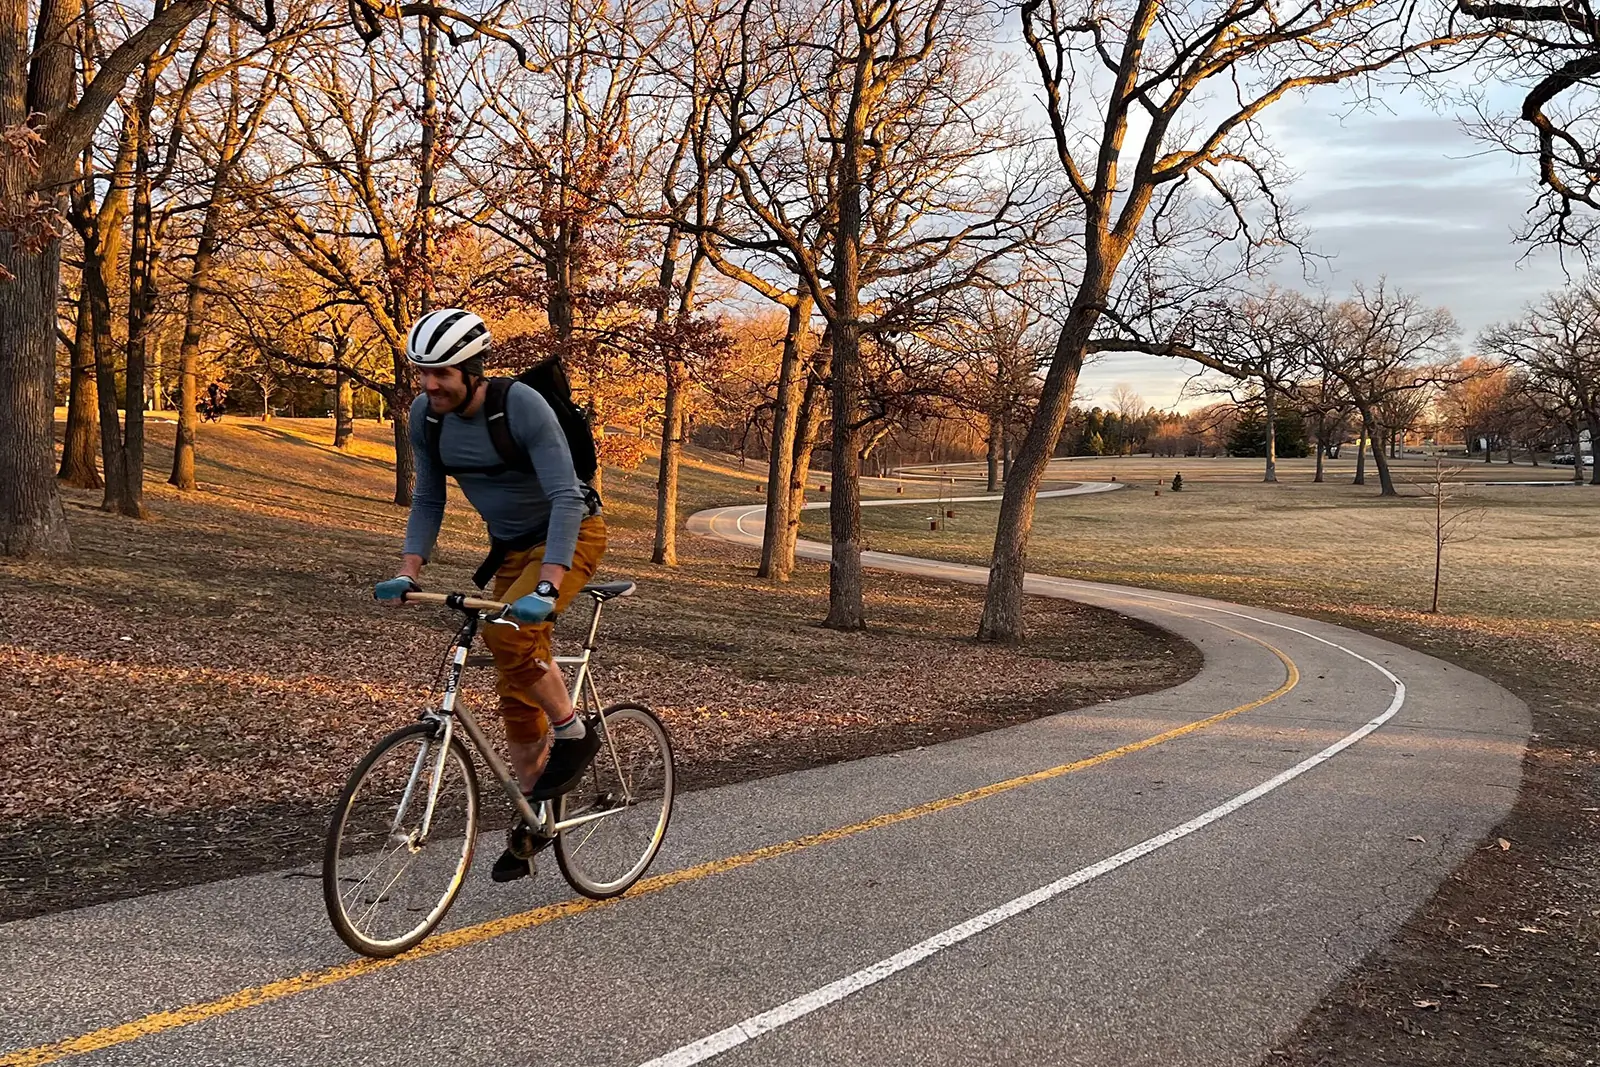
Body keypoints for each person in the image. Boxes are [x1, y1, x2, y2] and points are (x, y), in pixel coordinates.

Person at [374, 308, 606, 883]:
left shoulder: (521, 406)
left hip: (568, 535)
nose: (429, 385)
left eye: (442, 374)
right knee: (513, 690)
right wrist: (409, 571)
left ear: (473, 371)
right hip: (508, 551)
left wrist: (549, 583)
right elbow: (429, 500)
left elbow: (565, 497)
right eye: (421, 373)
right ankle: (533, 817)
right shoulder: (426, 418)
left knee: (508, 632)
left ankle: (574, 734)